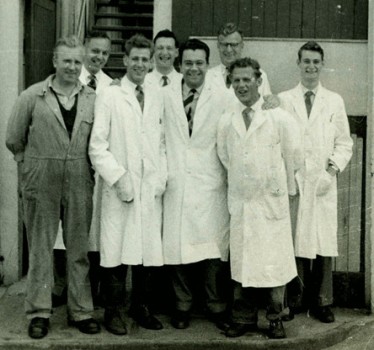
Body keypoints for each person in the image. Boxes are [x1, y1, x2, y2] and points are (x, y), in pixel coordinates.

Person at [6, 36, 100, 339]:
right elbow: (13, 138)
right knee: (41, 249)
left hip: (79, 181)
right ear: (55, 61)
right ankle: (39, 313)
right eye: (67, 60)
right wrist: (32, 168)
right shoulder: (33, 96)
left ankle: (81, 311)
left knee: (78, 250)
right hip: (41, 181)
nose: (72, 66)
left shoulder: (92, 99)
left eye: (77, 61)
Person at [89, 33, 167, 335]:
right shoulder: (110, 94)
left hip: (149, 189)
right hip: (120, 189)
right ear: (125, 60)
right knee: (116, 252)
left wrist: (161, 177)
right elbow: (97, 146)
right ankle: (113, 311)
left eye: (144, 60)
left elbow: (159, 142)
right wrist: (119, 178)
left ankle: (140, 307)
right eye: (134, 58)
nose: (139, 64)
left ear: (150, 64)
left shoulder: (155, 95)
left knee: (146, 252)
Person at [217, 57, 299, 339]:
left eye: (247, 79)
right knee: (244, 264)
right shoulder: (227, 121)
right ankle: (244, 318)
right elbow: (225, 158)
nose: (241, 85)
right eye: (236, 80)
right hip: (243, 203)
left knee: (273, 263)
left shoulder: (279, 117)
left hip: (270, 203)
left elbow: (293, 155)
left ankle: (276, 317)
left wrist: (280, 188)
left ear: (258, 81)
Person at [278, 41, 353, 323]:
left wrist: (330, 172)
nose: (310, 66)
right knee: (293, 239)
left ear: (322, 65)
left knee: (322, 241)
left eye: (315, 62)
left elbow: (344, 143)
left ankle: (322, 302)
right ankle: (294, 299)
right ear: (298, 64)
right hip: (295, 181)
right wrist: (289, 177)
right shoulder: (285, 99)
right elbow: (279, 141)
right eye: (306, 61)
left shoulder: (334, 101)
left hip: (322, 181)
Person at [162, 38, 230, 331]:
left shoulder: (222, 96)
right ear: (180, 63)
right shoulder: (165, 95)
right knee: (177, 248)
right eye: (188, 62)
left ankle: (215, 305)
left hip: (209, 181)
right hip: (177, 180)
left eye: (199, 63)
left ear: (207, 64)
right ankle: (182, 306)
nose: (193, 68)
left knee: (211, 249)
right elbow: (160, 137)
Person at [53, 30, 113, 307]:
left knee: (92, 233)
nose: (98, 57)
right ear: (83, 51)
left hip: (97, 170)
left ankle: (92, 290)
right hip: (67, 168)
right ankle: (60, 288)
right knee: (62, 236)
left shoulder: (112, 87)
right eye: (94, 51)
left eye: (104, 52)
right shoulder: (64, 81)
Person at [206, 22, 271, 96]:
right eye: (224, 44)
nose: (229, 50)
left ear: (242, 45)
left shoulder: (258, 75)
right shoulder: (207, 76)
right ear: (218, 45)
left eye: (234, 45)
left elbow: (266, 103)